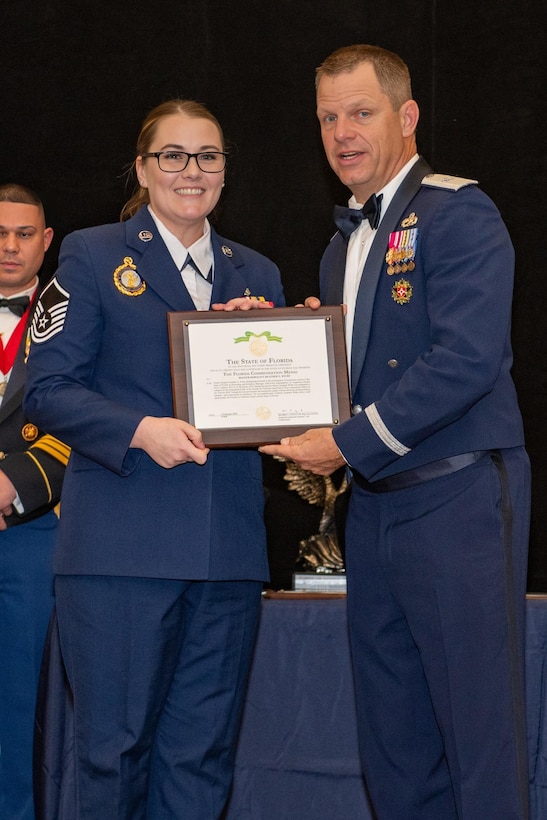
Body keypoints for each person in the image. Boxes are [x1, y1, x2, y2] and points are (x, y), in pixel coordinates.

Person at [261, 44, 530, 819]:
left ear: (406, 118)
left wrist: (345, 443)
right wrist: (279, 345)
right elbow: (357, 368)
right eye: (327, 118)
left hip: (457, 496)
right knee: (393, 736)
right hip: (375, 508)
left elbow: (467, 360)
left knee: (477, 731)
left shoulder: (458, 212)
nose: (342, 132)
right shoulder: (343, 242)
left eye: (360, 112)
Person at [23, 99, 285, 819]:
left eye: (207, 156)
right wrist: (140, 429)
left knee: (202, 760)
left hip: (227, 553)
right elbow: (42, 388)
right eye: (172, 155)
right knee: (113, 753)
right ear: (143, 168)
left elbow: (277, 404)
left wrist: (288, 367)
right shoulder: (94, 253)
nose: (190, 171)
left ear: (226, 171)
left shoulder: (254, 272)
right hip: (122, 552)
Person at [0, 184, 69, 820]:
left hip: (28, 532)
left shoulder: (73, 314)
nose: (10, 247)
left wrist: (14, 482)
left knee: (19, 705)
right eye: (0, 234)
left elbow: (78, 420)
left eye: (24, 234)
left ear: (46, 242)